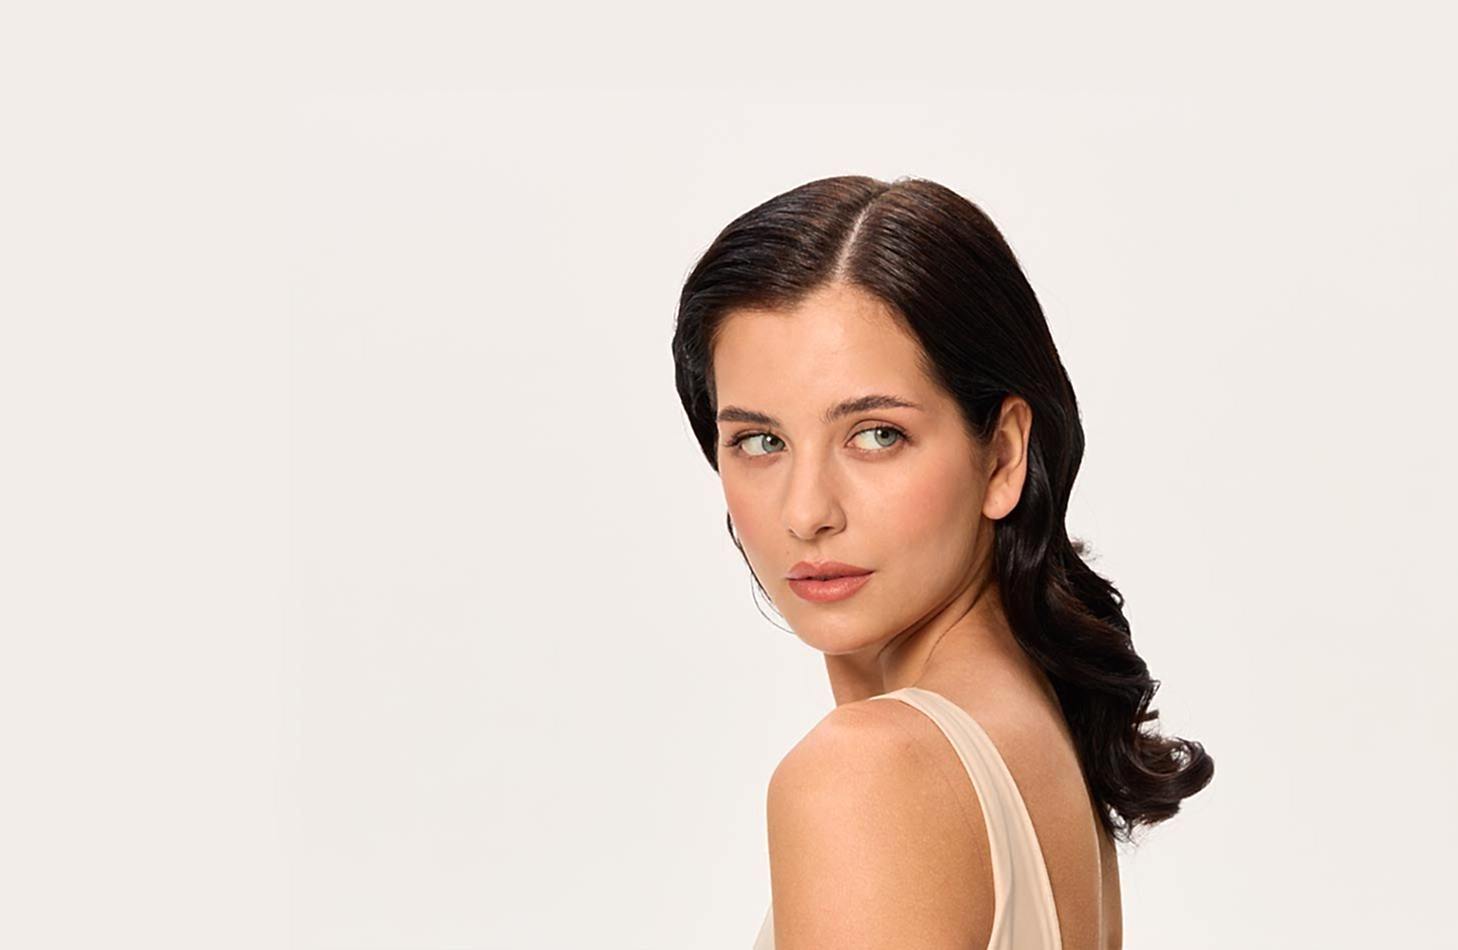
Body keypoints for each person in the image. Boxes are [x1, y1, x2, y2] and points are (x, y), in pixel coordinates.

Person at [670, 175, 1214, 949]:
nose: (806, 512)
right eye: (761, 442)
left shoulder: (870, 773)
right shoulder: (1033, 730)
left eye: (876, 434)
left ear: (1003, 454)